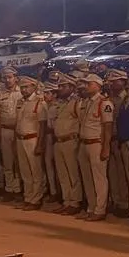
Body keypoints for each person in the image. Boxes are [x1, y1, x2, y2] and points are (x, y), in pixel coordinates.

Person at [77, 72, 114, 222]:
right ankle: (91, 208)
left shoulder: (104, 103)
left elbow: (107, 127)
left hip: (96, 143)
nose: (86, 86)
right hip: (85, 143)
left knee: (99, 178)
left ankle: (100, 209)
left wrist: (106, 147)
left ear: (98, 86)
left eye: (89, 84)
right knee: (87, 178)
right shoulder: (86, 102)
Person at [14, 76, 48, 210]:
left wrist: (40, 144)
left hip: (33, 139)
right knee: (25, 171)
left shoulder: (39, 102)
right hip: (20, 139)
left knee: (36, 171)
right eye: (22, 87)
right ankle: (28, 197)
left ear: (34, 87)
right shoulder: (20, 102)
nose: (24, 89)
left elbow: (43, 125)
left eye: (27, 87)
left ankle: (36, 199)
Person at [51, 76, 84, 215]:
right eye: (59, 86)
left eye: (63, 86)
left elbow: (82, 122)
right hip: (58, 141)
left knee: (72, 173)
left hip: (71, 140)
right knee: (63, 174)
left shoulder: (77, 103)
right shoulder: (59, 103)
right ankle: (67, 201)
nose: (60, 89)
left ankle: (75, 202)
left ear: (71, 87)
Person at [106, 70, 129, 218]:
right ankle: (117, 201)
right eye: (111, 81)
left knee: (124, 173)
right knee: (113, 172)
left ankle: (126, 204)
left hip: (123, 139)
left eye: (115, 81)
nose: (111, 84)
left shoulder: (128, 99)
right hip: (111, 139)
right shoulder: (109, 99)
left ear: (123, 82)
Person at [0, 66, 23, 200]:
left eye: (10, 77)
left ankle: (18, 189)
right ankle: (9, 188)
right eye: (5, 78)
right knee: (7, 161)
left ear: (15, 78)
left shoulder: (22, 93)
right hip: (6, 130)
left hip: (19, 131)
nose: (8, 80)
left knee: (18, 161)